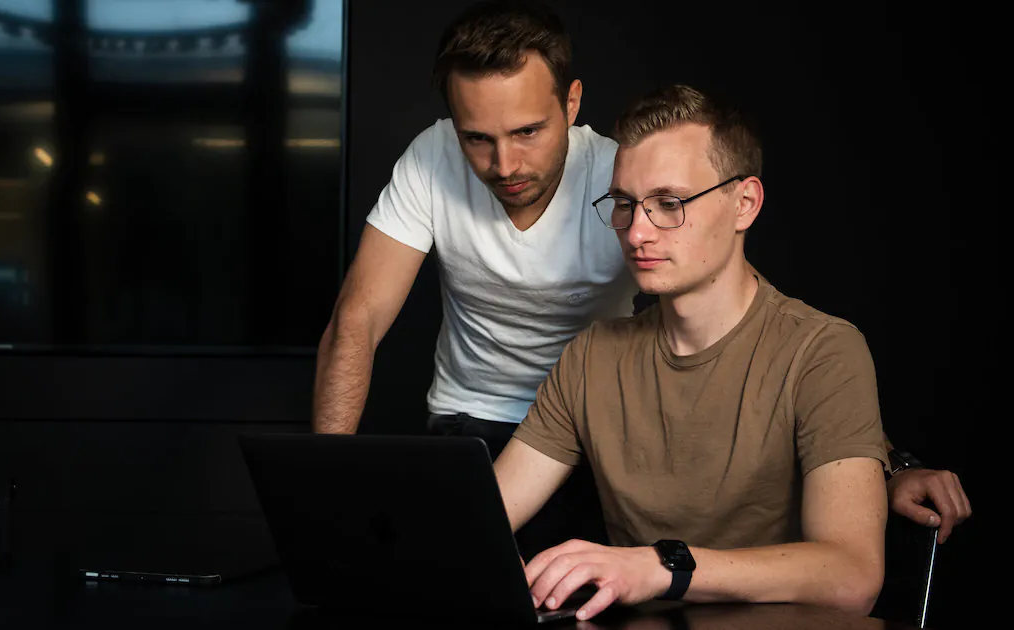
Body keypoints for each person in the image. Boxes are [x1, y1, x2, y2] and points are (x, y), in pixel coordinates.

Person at [312, 0, 969, 548]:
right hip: (488, 418)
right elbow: (357, 319)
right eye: (476, 137)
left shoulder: (622, 176)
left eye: (528, 131)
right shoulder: (434, 165)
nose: (503, 163)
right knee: (456, 574)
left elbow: (755, 324)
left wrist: (878, 462)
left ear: (572, 104)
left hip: (608, 426)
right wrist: (329, 490)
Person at [496, 83, 901, 618]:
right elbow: (477, 520)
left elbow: (851, 575)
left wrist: (661, 568)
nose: (637, 232)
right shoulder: (593, 357)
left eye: (669, 203)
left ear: (744, 204)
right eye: (624, 204)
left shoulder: (823, 351)